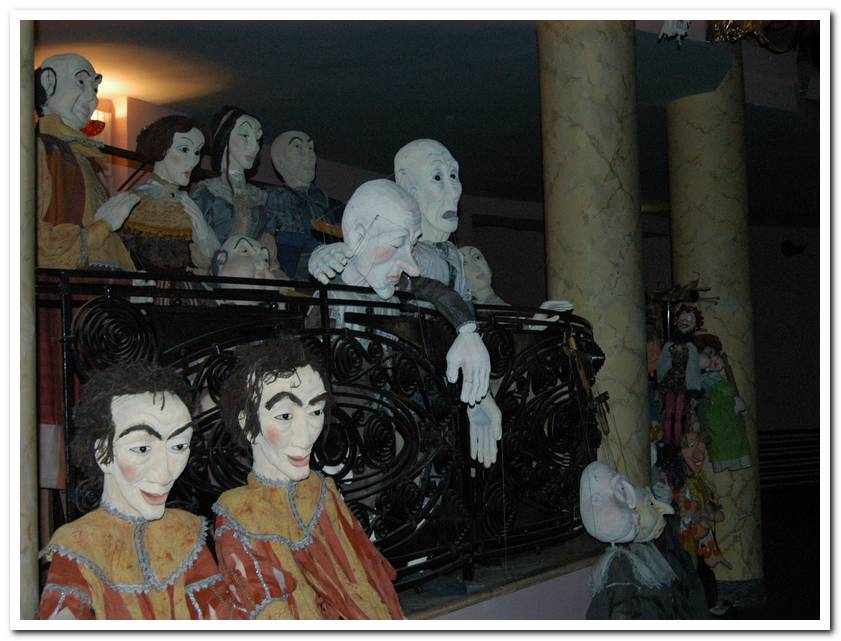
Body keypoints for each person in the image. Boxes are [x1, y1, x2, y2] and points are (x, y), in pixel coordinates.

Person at [308, 179, 500, 466]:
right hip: (344, 444)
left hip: (392, 436)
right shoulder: (329, 298)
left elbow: (436, 290)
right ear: (359, 235)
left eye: (411, 245)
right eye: (397, 244)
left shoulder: (400, 286)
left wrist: (469, 333)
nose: (411, 265)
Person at [213, 336, 404, 619]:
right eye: (285, 416)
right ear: (248, 425)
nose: (306, 435)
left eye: (316, 411)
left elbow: (361, 578)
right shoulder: (239, 514)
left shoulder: (321, 490)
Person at [38, 362, 239, 620]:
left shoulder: (184, 532)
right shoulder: (79, 544)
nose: (164, 473)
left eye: (179, 446)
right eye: (142, 449)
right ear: (103, 453)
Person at [190, 105, 281, 276]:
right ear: (224, 138)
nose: (255, 147)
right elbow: (198, 243)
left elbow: (267, 245)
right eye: (245, 135)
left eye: (258, 139)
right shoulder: (208, 193)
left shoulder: (259, 197)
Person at [122, 115, 219, 273]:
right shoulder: (135, 201)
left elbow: (214, 260)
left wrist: (200, 226)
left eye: (197, 152)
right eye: (184, 149)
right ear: (161, 148)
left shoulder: (188, 205)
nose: (193, 161)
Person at [265, 130, 343, 279]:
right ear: (280, 161)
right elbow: (288, 255)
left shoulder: (326, 202)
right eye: (298, 147)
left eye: (310, 148)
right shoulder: (278, 198)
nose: (310, 156)